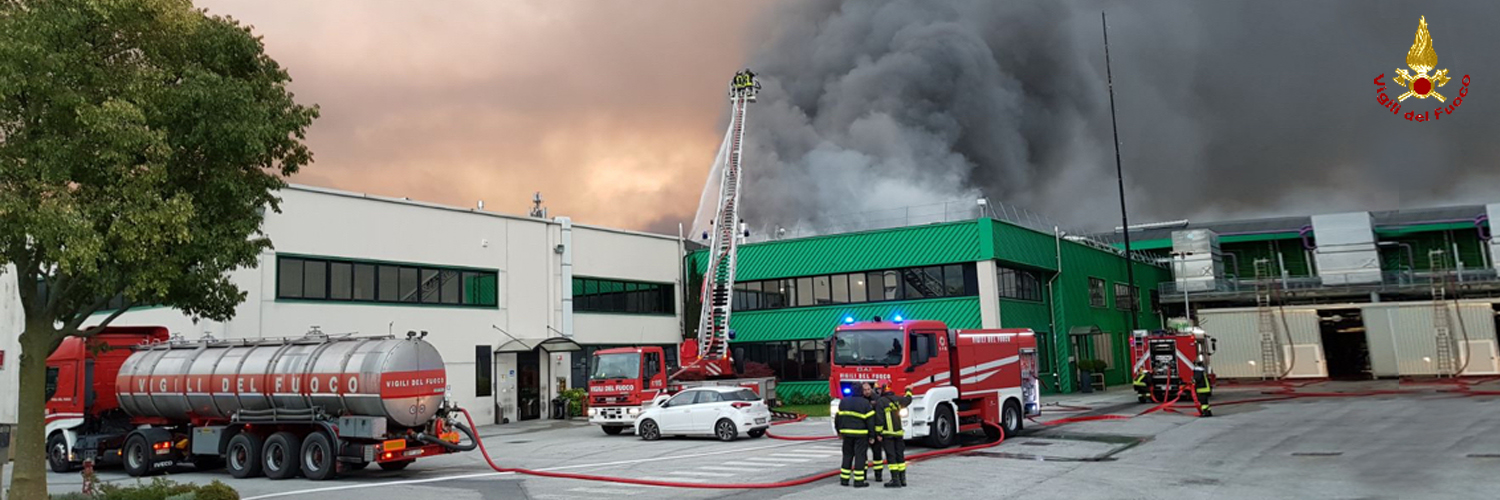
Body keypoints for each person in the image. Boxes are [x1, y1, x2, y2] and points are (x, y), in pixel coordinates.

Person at [835, 382, 877, 487]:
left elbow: (838, 418)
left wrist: (839, 431)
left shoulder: (843, 402)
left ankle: (844, 479)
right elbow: (870, 421)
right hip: (861, 435)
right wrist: (872, 436)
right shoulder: (865, 403)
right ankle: (859, 481)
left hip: (846, 434)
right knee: (860, 456)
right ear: (861, 391)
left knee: (847, 456)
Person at [873, 383, 914, 488]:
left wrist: (878, 433)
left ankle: (895, 480)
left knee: (891, 457)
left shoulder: (881, 402)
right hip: (898, 433)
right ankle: (902, 479)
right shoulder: (898, 399)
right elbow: (908, 399)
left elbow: (879, 419)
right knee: (900, 456)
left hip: (888, 434)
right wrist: (908, 390)